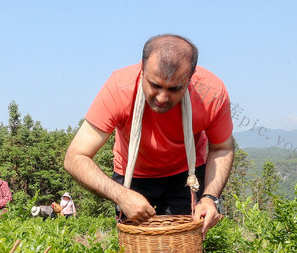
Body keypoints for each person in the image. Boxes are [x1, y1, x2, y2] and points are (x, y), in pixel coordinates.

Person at [63, 34, 234, 233]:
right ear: (142, 69)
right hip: (133, 173)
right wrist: (121, 195)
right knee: (135, 252)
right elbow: (75, 157)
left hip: (186, 175)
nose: (162, 97)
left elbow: (222, 147)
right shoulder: (120, 88)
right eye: (155, 85)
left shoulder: (212, 93)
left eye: (175, 88)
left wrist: (209, 198)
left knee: (180, 247)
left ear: (191, 77)